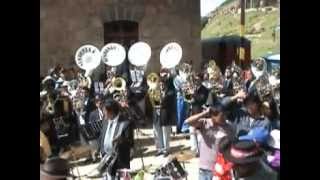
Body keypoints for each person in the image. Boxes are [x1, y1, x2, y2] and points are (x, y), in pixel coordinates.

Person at [185, 104, 234, 180]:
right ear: (213, 116)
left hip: (221, 169)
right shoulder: (205, 123)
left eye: (225, 115)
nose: (224, 118)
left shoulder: (229, 127)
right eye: (221, 116)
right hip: (205, 169)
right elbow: (188, 122)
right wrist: (204, 113)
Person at [98, 98, 134, 179]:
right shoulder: (105, 121)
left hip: (120, 160)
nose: (103, 113)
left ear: (111, 111)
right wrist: (101, 151)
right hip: (106, 159)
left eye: (105, 111)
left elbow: (131, 142)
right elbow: (101, 137)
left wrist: (121, 139)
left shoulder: (125, 123)